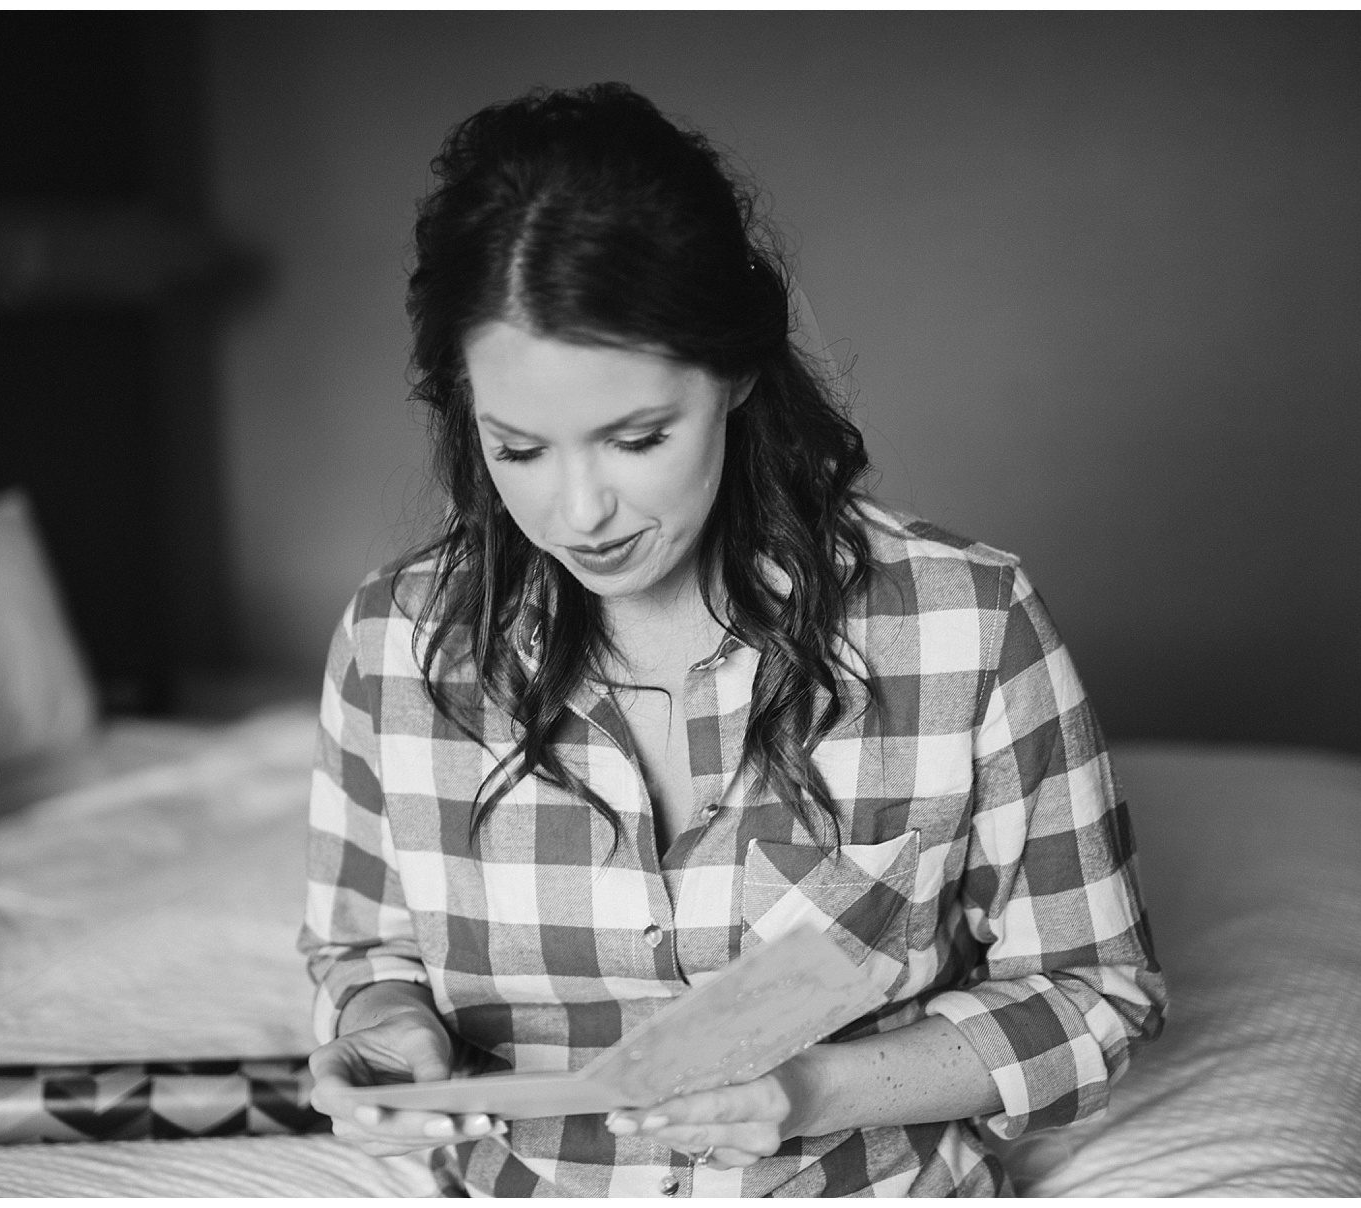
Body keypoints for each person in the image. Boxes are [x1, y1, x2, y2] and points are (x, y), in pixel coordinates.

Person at [301, 82, 1166, 1198]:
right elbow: (363, 952)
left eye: (637, 438)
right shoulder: (397, 645)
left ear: (738, 371)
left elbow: (1095, 992)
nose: (579, 512)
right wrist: (387, 1027)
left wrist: (814, 1091)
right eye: (518, 449)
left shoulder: (966, 623)